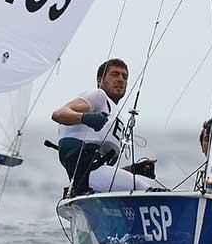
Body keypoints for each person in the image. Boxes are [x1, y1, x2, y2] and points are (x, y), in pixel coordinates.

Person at [50, 58, 157, 196]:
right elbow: (58, 114)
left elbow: (103, 172)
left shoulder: (114, 114)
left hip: (88, 182)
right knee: (146, 189)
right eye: (115, 74)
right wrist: (85, 118)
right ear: (100, 80)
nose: (120, 79)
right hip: (85, 175)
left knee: (140, 184)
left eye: (124, 77)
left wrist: (134, 169)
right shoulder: (98, 96)